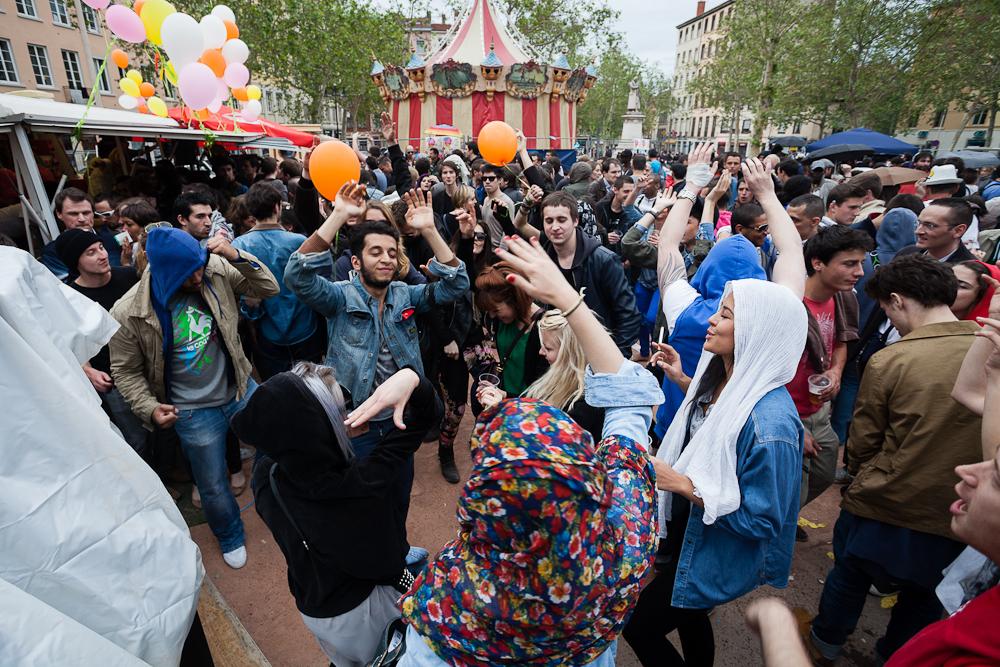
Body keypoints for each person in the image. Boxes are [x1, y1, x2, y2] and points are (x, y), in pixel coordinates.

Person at [397, 233, 664, 667]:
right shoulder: (623, 544)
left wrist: (413, 381)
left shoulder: (448, 606)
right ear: (587, 481)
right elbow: (629, 401)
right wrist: (569, 300)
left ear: (480, 511)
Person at [625, 151, 809, 666]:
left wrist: (682, 484)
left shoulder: (771, 424)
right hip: (692, 531)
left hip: (708, 532)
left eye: (725, 314)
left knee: (639, 626)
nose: (712, 322)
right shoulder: (724, 367)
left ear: (752, 328)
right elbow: (791, 259)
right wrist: (687, 382)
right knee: (689, 613)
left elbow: (763, 521)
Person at [805, 255, 983, 664]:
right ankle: (898, 656)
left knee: (850, 575)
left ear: (898, 301)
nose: (889, 318)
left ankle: (823, 644)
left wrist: (862, 476)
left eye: (886, 308)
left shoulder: (893, 359)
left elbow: (864, 441)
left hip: (887, 500)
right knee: (924, 599)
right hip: (959, 510)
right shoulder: (988, 347)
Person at [284, 184, 469, 535]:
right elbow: (296, 276)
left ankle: (398, 550)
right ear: (356, 262)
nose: (386, 258)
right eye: (375, 252)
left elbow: (456, 284)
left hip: (402, 421)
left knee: (399, 494)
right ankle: (376, 555)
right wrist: (338, 216)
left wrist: (430, 231)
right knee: (363, 502)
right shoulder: (338, 298)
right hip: (359, 424)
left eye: (391, 252)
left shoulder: (405, 294)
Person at [235, 362, 439, 667]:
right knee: (388, 656)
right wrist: (412, 378)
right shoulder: (361, 486)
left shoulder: (266, 475)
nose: (347, 415)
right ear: (322, 428)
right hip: (360, 611)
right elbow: (387, 564)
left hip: (313, 605)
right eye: (340, 410)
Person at [109, 226, 279, 569]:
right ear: (164, 271)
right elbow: (124, 371)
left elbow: (267, 287)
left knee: (278, 444)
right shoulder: (129, 311)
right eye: (188, 273)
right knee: (212, 484)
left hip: (240, 389)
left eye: (199, 267)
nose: (198, 276)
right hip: (192, 413)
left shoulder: (215, 269)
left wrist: (235, 254)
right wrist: (150, 408)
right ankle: (230, 535)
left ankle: (284, 503)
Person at [652, 144, 772, 442]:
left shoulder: (685, 310)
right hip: (732, 435)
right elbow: (794, 253)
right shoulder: (769, 317)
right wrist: (768, 196)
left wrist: (691, 187)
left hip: (676, 425)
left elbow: (667, 245)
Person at [787, 227, 869, 530]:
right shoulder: (790, 302)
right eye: (849, 264)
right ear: (818, 263)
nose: (859, 272)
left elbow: (841, 342)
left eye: (860, 263)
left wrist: (835, 371)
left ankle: (784, 519)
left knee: (822, 475)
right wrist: (791, 426)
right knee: (790, 487)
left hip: (818, 410)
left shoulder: (844, 299)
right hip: (788, 411)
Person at [56, 229, 145, 454]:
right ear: (75, 262)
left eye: (102, 248)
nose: (102, 255)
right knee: (136, 439)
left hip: (149, 365)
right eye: (91, 252)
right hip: (112, 378)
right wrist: (89, 371)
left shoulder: (129, 276)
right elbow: (69, 342)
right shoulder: (70, 298)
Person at [231, 182, 323, 379]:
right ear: (277, 207)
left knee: (277, 388)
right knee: (312, 386)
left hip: (267, 332)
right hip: (305, 328)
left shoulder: (238, 246)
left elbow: (248, 301)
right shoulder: (299, 242)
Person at [537, 191, 642, 356]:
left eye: (562, 220)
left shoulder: (603, 260)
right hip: (560, 354)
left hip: (597, 354)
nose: (555, 227)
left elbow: (629, 315)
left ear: (575, 220)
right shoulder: (544, 260)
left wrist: (615, 357)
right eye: (549, 221)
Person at [478, 307, 606, 439]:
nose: (541, 352)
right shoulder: (558, 378)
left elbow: (546, 441)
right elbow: (533, 403)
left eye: (548, 348)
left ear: (570, 354)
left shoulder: (585, 405)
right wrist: (504, 396)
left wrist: (501, 411)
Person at [471, 263, 545, 408]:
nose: (492, 315)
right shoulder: (501, 321)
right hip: (502, 397)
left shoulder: (542, 330)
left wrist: (506, 396)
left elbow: (543, 386)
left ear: (515, 300)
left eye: (496, 310)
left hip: (526, 406)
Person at [40, 188, 119, 279]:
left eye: (86, 213)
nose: (82, 219)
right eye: (73, 214)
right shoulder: (53, 251)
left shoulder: (112, 239)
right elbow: (68, 285)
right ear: (59, 214)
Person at [897, 198, 975, 263]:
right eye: (918, 223)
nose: (918, 231)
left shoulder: (967, 271)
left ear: (958, 231)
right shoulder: (906, 254)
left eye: (930, 226)